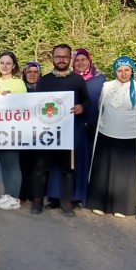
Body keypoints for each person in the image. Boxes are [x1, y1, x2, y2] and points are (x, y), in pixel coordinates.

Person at [30, 44, 90, 216]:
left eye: (65, 56)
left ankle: (66, 202)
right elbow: (34, 104)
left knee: (67, 169)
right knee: (40, 167)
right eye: (58, 56)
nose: (61, 60)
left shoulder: (77, 80)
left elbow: (87, 101)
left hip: (68, 132)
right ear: (52, 58)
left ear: (70, 58)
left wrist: (81, 107)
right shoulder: (44, 80)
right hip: (46, 132)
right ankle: (37, 201)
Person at [87, 56, 136, 218]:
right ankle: (99, 203)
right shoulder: (107, 87)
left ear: (132, 71)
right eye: (120, 70)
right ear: (115, 71)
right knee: (103, 172)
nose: (123, 73)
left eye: (127, 70)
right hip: (106, 134)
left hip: (129, 137)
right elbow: (101, 107)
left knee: (123, 175)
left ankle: (121, 206)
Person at [47, 48, 106, 208]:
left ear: (89, 61)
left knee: (79, 162)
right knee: (59, 161)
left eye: (83, 60)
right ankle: (55, 195)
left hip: (87, 126)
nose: (80, 63)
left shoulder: (100, 80)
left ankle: (76, 196)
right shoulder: (67, 78)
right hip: (64, 125)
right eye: (77, 60)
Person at [0, 51, 27, 211]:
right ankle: (7, 194)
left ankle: (15, 198)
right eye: (2, 63)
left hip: (12, 130)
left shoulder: (18, 83)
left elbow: (25, 104)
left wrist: (12, 97)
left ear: (14, 66)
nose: (4, 66)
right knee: (4, 164)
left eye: (8, 63)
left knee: (13, 164)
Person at [18, 61, 41, 205]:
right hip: (23, 133)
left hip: (40, 133)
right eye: (29, 72)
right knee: (23, 164)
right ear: (24, 73)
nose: (32, 74)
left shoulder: (45, 88)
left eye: (35, 72)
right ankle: (22, 193)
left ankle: (35, 194)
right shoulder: (20, 89)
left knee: (37, 165)